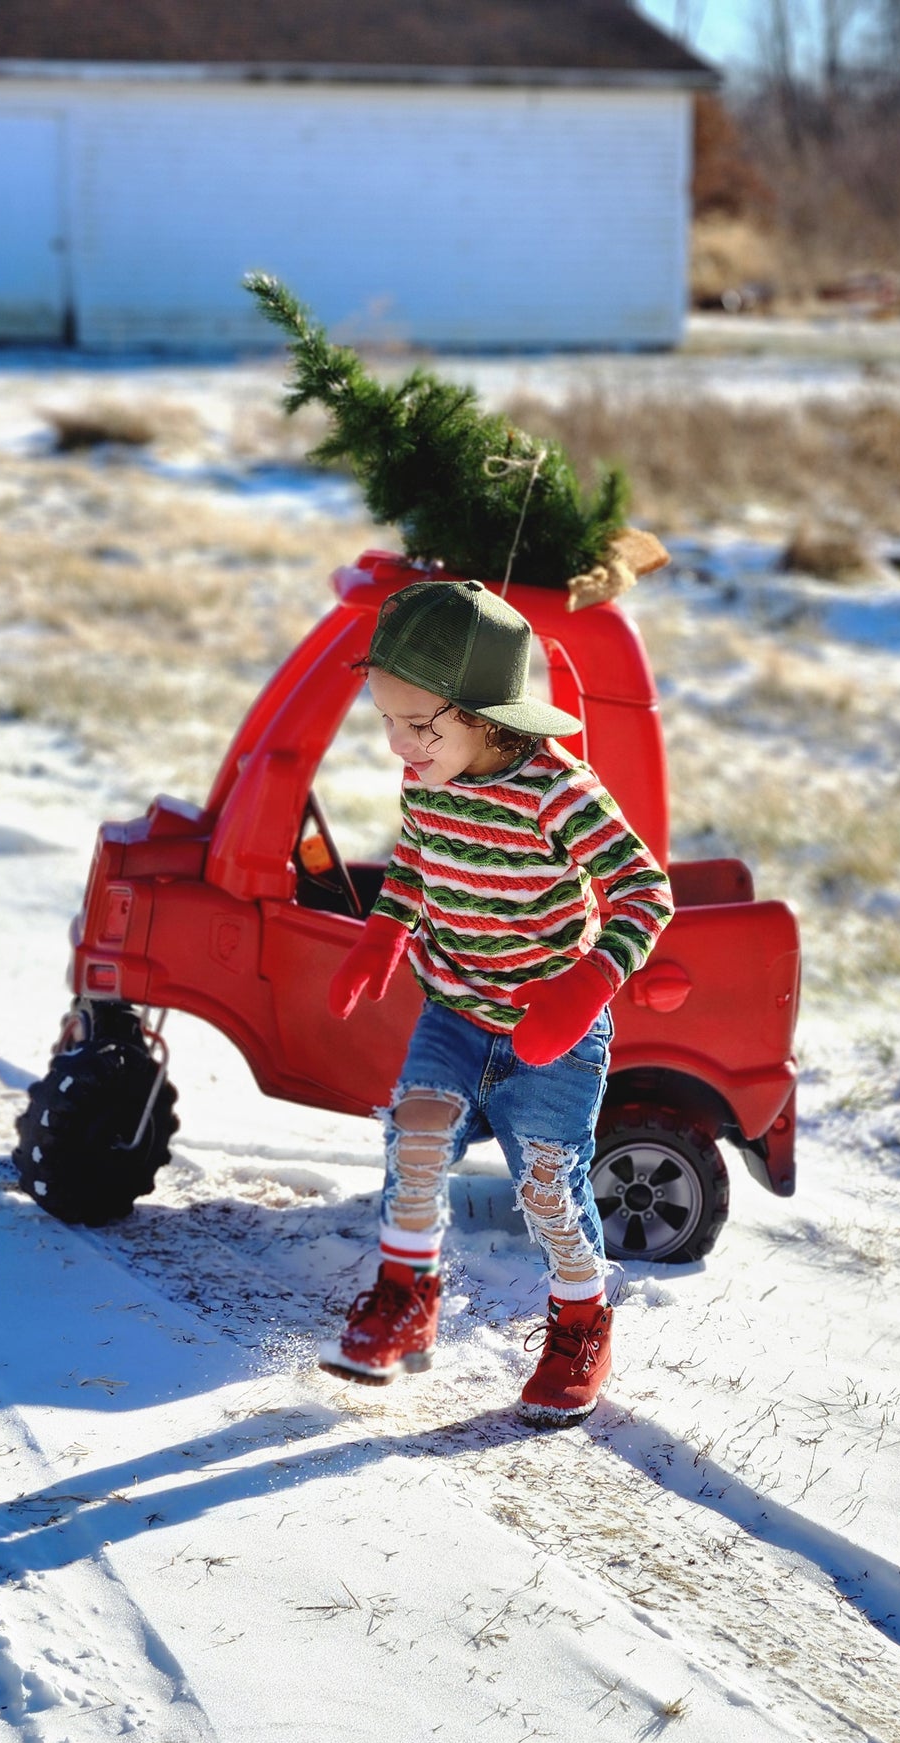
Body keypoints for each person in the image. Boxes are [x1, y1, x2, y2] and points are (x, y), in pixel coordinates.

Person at [318, 577, 673, 1424]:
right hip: (454, 1011)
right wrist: (384, 933)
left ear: (485, 716)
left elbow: (644, 893)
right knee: (417, 1132)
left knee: (548, 1186)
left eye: (419, 725)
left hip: (553, 1033)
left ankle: (581, 1322)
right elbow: (414, 862)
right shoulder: (428, 776)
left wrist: (585, 983)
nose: (400, 747)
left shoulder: (559, 791)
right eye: (387, 722)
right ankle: (408, 1294)